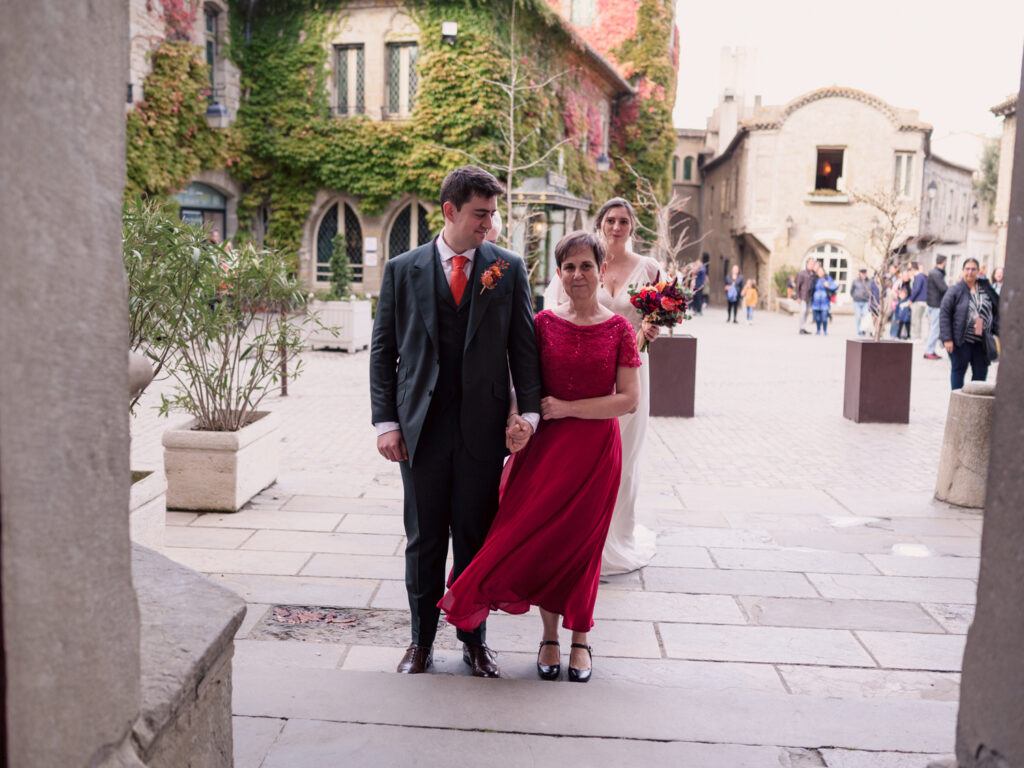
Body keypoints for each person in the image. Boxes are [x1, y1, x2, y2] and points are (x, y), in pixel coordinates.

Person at [440, 231, 642, 683]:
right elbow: (522, 387)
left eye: (586, 266)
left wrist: (568, 409)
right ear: (558, 274)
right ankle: (549, 637)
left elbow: (627, 399)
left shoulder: (618, 329)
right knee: (541, 543)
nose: (577, 275)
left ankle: (581, 638)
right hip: (544, 453)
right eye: (568, 267)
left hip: (594, 455)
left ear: (601, 270)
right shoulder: (543, 323)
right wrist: (518, 420)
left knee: (582, 548)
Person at [369, 165, 543, 677]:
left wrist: (527, 414)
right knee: (423, 538)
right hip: (419, 429)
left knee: (474, 538)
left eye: (492, 214)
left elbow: (525, 350)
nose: (489, 225)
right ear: (450, 211)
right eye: (480, 215)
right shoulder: (403, 269)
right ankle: (420, 642)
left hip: (481, 431)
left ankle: (474, 641)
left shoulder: (507, 268)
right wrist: (386, 423)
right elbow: (384, 353)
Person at [543, 197, 659, 575]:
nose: (616, 227)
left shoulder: (649, 268)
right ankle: (575, 534)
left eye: (624, 221)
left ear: (632, 227)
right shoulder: (578, 262)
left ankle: (613, 534)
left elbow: (660, 314)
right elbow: (553, 310)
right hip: (585, 368)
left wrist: (653, 330)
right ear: (600, 223)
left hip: (630, 366)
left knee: (624, 456)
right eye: (610, 220)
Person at [940, 257, 1000, 390]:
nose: (970, 272)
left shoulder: (986, 288)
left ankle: (976, 405)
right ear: (962, 270)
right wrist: (947, 338)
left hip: (982, 341)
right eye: (967, 269)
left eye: (973, 269)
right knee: (958, 370)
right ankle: (957, 401)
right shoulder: (955, 290)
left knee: (980, 375)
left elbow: (997, 309)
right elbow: (944, 313)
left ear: (978, 271)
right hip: (961, 340)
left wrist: (998, 332)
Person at [923, 255, 948, 359]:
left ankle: (930, 350)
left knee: (934, 329)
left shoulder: (934, 272)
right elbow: (943, 288)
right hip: (936, 305)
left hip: (933, 304)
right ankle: (929, 351)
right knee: (935, 329)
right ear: (944, 262)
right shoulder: (936, 273)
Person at [811, 265, 837, 335]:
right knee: (818, 318)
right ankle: (818, 330)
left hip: (825, 301)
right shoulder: (815, 279)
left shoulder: (827, 278)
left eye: (821, 271)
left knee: (824, 317)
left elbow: (835, 286)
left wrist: (828, 286)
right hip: (816, 301)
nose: (820, 273)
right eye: (818, 271)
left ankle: (825, 330)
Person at [795, 257, 818, 334]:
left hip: (810, 297)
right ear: (807, 264)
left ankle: (804, 327)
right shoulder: (802, 273)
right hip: (803, 296)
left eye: (813, 264)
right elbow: (797, 285)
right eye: (810, 264)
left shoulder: (814, 274)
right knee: (803, 311)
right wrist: (797, 296)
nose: (812, 265)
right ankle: (801, 328)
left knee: (807, 312)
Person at [850, 268, 872, 336]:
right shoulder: (855, 281)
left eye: (864, 273)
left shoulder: (869, 281)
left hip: (866, 301)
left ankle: (864, 329)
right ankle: (859, 330)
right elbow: (851, 290)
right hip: (857, 301)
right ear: (859, 274)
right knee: (858, 316)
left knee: (866, 316)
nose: (863, 275)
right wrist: (854, 296)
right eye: (862, 273)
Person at [909, 261, 927, 339]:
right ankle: (917, 336)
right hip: (922, 301)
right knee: (918, 319)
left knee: (915, 320)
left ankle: (916, 337)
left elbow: (916, 289)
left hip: (918, 300)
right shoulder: (923, 276)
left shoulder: (919, 277)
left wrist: (911, 299)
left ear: (913, 269)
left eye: (909, 269)